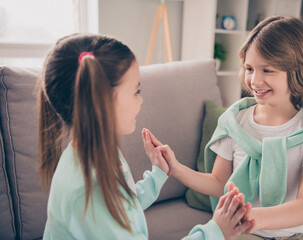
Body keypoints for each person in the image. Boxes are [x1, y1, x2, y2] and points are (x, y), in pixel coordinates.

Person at [38, 33, 253, 239]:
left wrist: (159, 173)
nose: (140, 101)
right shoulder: (88, 195)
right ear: (103, 102)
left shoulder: (94, 152)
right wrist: (216, 231)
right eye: (136, 92)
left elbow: (125, 204)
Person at [146, 16, 303, 239]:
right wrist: (175, 169)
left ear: (296, 71)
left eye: (267, 70)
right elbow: (220, 183)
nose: (255, 81)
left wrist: (252, 216)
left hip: (297, 235)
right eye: (249, 68)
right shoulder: (235, 122)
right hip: (243, 232)